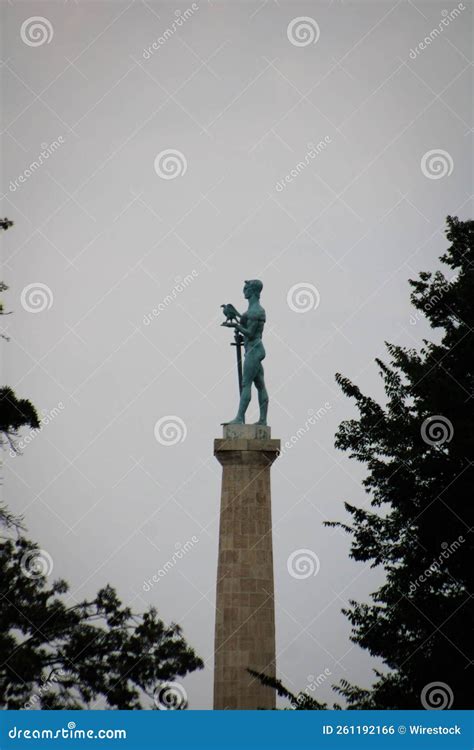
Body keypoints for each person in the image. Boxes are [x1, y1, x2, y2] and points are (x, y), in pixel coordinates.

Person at [223, 279, 269, 426]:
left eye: (246, 289)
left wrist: (237, 325)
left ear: (254, 291)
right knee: (260, 384)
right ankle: (262, 420)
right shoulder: (249, 312)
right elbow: (244, 324)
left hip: (255, 350)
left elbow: (250, 333)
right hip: (251, 350)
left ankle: (239, 417)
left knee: (246, 384)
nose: (244, 291)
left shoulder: (257, 311)